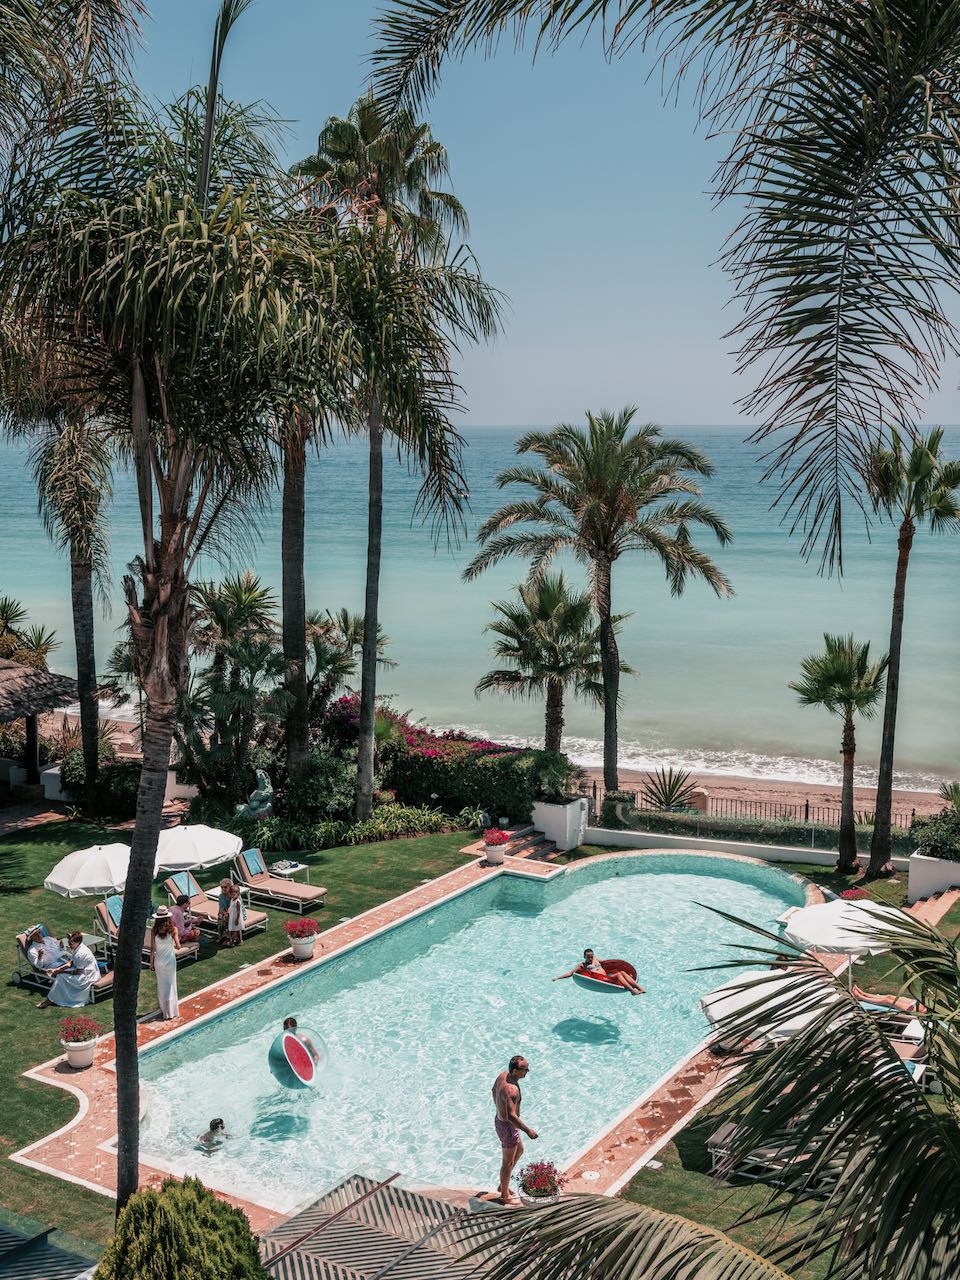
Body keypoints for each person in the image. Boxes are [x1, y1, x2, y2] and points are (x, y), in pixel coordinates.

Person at [487, 1054, 537, 1206]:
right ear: (515, 1070)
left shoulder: (503, 1075)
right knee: (507, 1164)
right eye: (525, 1069)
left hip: (502, 1122)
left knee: (520, 1150)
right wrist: (528, 1131)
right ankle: (504, 1196)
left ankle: (504, 1184)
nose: (527, 1071)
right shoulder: (511, 1089)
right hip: (508, 1127)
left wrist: (499, 1107)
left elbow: (493, 1090)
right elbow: (511, 1116)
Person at [37, 931, 101, 1009]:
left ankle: (50, 1000)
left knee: (61, 977)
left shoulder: (80, 954)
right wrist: (57, 969)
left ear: (77, 942)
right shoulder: (79, 947)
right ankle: (53, 998)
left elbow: (77, 972)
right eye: (69, 943)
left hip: (87, 976)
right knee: (60, 974)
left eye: (71, 943)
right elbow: (71, 962)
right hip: (86, 971)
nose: (69, 945)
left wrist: (61, 972)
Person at [554, 948, 645, 995]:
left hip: (607, 976)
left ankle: (639, 988)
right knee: (618, 975)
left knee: (622, 972)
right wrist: (558, 977)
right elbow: (570, 973)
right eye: (588, 957)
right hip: (602, 980)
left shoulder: (595, 959)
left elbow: (604, 963)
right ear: (584, 957)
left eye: (591, 956)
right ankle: (632, 991)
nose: (590, 958)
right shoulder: (582, 965)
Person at [150, 906, 181, 1020]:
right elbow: (178, 946)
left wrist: (151, 963)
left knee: (162, 985)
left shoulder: (154, 931)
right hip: (170, 960)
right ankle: (172, 1011)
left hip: (159, 960)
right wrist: (172, 944)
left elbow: (153, 949)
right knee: (171, 984)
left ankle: (165, 1011)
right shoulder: (173, 930)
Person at [852, 982, 925, 1014]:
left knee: (887, 1000)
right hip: (916, 1003)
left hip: (917, 1010)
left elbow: (925, 1012)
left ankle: (861, 997)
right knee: (889, 996)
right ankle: (863, 993)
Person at [224, 883, 245, 948]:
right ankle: (240, 940)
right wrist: (227, 913)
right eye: (231, 892)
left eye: (235, 892)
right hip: (232, 917)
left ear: (238, 893)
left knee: (235, 929)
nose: (233, 894)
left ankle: (232, 941)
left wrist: (237, 919)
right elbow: (230, 907)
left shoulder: (237, 901)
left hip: (236, 917)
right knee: (237, 929)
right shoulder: (232, 900)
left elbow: (239, 911)